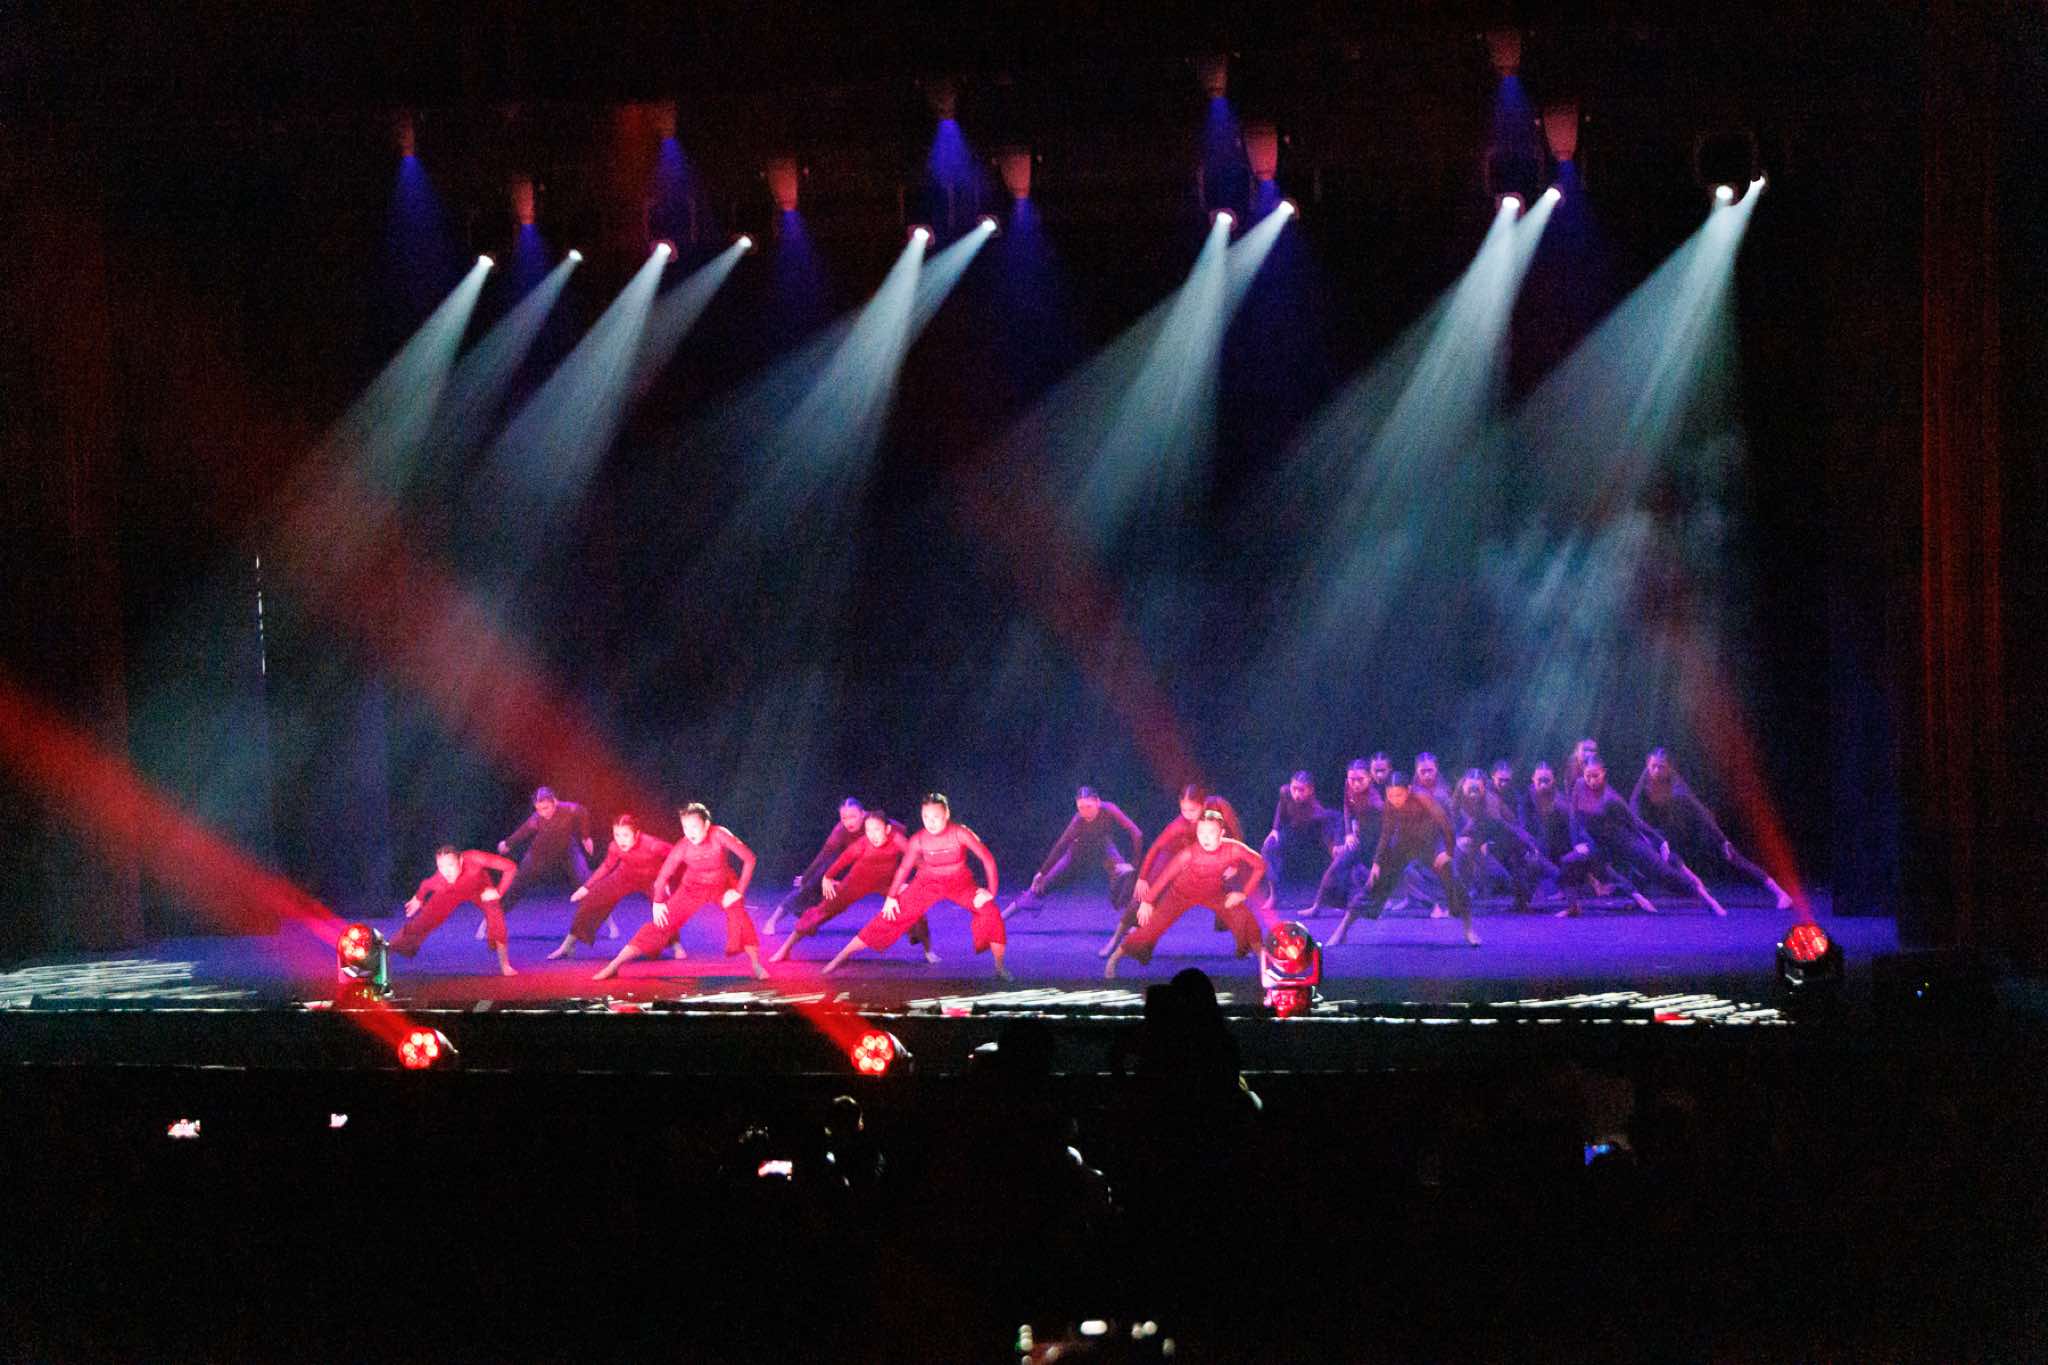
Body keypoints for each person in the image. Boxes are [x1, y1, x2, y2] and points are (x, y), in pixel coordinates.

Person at [821, 793, 1011, 980]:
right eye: (926, 817)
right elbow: (904, 868)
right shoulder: (918, 839)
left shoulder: (960, 833)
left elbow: (987, 859)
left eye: (936, 817)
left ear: (946, 814)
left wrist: (991, 892)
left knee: (989, 910)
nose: (931, 822)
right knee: (890, 915)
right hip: (927, 883)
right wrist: (891, 896)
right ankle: (841, 957)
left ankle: (1000, 966)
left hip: (960, 883)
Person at [593, 803, 768, 980]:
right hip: (692, 888)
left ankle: (756, 964)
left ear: (706, 825)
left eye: (694, 826)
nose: (690, 832)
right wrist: (658, 902)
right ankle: (614, 965)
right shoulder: (683, 846)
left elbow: (749, 859)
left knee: (739, 913)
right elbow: (663, 875)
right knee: (660, 923)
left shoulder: (719, 834)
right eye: (685, 827)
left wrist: (739, 891)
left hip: (722, 885)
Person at [1326, 771, 1479, 948]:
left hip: (1430, 843)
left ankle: (1469, 930)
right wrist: (1377, 863)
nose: (1394, 799)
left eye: (1398, 795)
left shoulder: (1423, 798)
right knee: (1374, 881)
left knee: (1451, 876)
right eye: (1390, 795)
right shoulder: (1390, 804)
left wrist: (1449, 853)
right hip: (1404, 843)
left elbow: (1445, 824)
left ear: (1409, 789)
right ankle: (1342, 930)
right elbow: (1386, 833)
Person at [1103, 810, 1264, 978]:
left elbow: (1260, 865)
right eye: (1201, 832)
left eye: (1211, 832)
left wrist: (1243, 894)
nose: (1205, 837)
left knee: (1245, 917)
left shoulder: (1234, 849)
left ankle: (1262, 960)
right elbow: (1165, 877)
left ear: (1222, 833)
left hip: (1214, 894)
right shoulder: (1189, 853)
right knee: (1151, 928)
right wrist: (1147, 901)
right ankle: (1114, 958)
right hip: (1180, 894)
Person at [1630, 748, 1795, 909]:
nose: (1656, 771)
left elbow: (1700, 813)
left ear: (1670, 768)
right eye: (1653, 766)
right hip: (1671, 828)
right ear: (1647, 764)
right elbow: (1633, 807)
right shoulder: (1645, 779)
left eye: (1661, 767)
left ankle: (1780, 893)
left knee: (1732, 857)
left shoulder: (1678, 788)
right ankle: (1640, 896)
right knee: (1644, 850)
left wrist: (1723, 840)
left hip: (1699, 826)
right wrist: (1640, 833)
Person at [770, 811, 937, 964]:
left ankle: (928, 951)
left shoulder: (897, 839)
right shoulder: (861, 844)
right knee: (822, 910)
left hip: (886, 883)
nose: (872, 835)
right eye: (868, 830)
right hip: (856, 882)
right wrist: (827, 877)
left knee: (916, 906)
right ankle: (785, 949)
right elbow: (842, 860)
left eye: (877, 830)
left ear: (887, 829)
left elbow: (918, 862)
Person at [1566, 759, 1724, 915]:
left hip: (1624, 841)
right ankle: (1574, 908)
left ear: (1603, 773)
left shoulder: (1611, 798)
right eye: (1588, 776)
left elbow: (1635, 822)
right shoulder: (1579, 785)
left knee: (1663, 873)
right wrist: (1577, 843)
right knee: (1569, 861)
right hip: (1598, 843)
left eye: (1596, 776)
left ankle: (1706, 899)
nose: (1591, 781)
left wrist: (1660, 841)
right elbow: (1574, 817)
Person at [1106, 785, 1246, 958]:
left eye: (1192, 810)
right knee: (1147, 894)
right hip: (1171, 854)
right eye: (1183, 810)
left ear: (1203, 804)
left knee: (1229, 890)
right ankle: (1116, 938)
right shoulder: (1179, 825)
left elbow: (1236, 832)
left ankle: (1243, 941)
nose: (1187, 815)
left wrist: (1235, 864)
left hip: (1201, 853)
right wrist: (1142, 878)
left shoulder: (1219, 806)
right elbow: (1156, 848)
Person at [481, 786, 609, 940]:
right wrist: (507, 843)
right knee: (516, 886)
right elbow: (521, 833)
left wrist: (585, 836)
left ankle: (607, 920)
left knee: (586, 883)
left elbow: (582, 811)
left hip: (568, 851)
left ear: (555, 801)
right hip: (539, 854)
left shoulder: (570, 809)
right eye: (539, 809)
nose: (543, 813)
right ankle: (490, 920)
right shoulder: (536, 819)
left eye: (546, 808)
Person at [546, 815, 673, 960]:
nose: (620, 840)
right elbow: (607, 866)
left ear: (637, 834)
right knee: (591, 899)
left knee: (665, 907)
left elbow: (675, 856)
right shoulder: (614, 846)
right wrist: (586, 887)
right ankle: (567, 946)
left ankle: (675, 945)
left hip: (653, 878)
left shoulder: (653, 845)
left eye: (625, 835)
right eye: (617, 835)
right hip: (625, 875)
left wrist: (665, 880)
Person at [1006, 786, 1143, 918]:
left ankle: (1131, 918)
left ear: (1098, 802)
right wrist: (1042, 872)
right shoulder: (1078, 821)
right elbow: (1061, 846)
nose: (1085, 812)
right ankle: (1002, 917)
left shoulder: (1109, 809)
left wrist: (1134, 866)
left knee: (1125, 877)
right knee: (1039, 888)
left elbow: (1137, 834)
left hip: (1103, 848)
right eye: (1081, 808)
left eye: (1089, 807)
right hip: (1077, 855)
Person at [391, 844, 520, 975]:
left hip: (480, 889)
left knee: (496, 916)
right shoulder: (440, 881)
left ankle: (505, 965)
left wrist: (499, 891)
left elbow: (510, 867)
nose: (446, 872)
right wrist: (418, 899)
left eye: (450, 865)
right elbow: (425, 885)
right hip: (451, 891)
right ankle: (386, 950)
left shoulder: (475, 858)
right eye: (441, 867)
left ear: (461, 861)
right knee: (422, 922)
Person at [1449, 768, 1554, 913]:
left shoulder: (1489, 803)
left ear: (1484, 788)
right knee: (1461, 846)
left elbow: (1506, 827)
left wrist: (1529, 844)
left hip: (1507, 836)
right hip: (1482, 839)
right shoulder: (1456, 800)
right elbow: (1456, 827)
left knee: (1524, 863)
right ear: (1463, 786)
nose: (1473, 794)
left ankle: (1523, 898)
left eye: (1477, 789)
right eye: (1470, 789)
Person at [762, 797, 867, 936]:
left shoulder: (874, 823)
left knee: (839, 899)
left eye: (853, 817)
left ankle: (809, 919)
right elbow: (823, 856)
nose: (849, 822)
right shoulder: (840, 831)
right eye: (844, 818)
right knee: (808, 888)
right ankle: (772, 921)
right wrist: (806, 877)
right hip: (838, 862)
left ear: (863, 814)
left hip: (863, 862)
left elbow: (892, 827)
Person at [1309, 755, 1389, 915]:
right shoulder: (1348, 785)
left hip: (1376, 841)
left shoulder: (1374, 798)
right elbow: (1347, 808)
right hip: (1359, 839)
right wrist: (1348, 834)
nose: (1356, 784)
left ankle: (1377, 902)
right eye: (1352, 779)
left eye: (1360, 780)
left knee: (1369, 874)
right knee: (1335, 867)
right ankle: (1316, 906)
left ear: (1369, 778)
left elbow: (1388, 823)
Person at [1259, 770, 1338, 909]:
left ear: (1310, 790)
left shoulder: (1316, 809)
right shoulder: (1285, 792)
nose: (1297, 793)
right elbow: (1281, 807)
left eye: (1301, 790)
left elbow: (1326, 830)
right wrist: (1275, 829)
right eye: (1294, 788)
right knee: (1268, 848)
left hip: (1311, 837)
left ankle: (1332, 897)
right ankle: (1274, 895)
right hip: (1292, 833)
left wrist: (1333, 846)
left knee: (1336, 858)